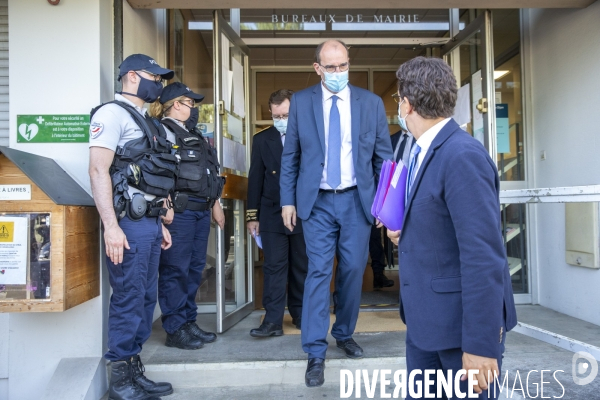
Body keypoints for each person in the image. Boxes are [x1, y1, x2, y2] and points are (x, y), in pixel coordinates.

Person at [387, 56, 517, 399]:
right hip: (426, 325)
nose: (398, 106)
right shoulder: (420, 151)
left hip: (461, 335)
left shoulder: (462, 156)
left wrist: (480, 345)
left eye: (398, 99)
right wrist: (404, 230)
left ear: (408, 103)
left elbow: (483, 256)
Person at [280, 40, 393, 387]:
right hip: (316, 203)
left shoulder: (371, 104)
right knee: (317, 272)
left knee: (354, 270)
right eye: (330, 67)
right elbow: (292, 157)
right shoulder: (301, 102)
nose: (338, 73)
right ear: (317, 68)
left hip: (356, 201)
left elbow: (383, 160)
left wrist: (384, 205)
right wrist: (288, 200)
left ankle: (343, 333)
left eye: (343, 66)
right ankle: (315, 350)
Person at [89, 54, 176, 400]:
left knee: (145, 297)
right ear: (133, 77)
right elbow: (98, 171)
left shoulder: (144, 119)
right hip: (127, 225)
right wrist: (111, 226)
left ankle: (134, 370)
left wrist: (159, 221)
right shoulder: (111, 114)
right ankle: (120, 381)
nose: (159, 83)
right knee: (128, 297)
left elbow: (148, 177)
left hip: (149, 224)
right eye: (154, 77)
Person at [148, 82, 225, 350]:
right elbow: (158, 171)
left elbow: (207, 173)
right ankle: (174, 328)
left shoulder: (193, 134)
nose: (194, 108)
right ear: (176, 105)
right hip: (178, 213)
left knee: (194, 270)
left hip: (200, 211)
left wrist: (215, 203)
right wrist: (164, 204)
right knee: (175, 271)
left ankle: (188, 320)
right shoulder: (163, 132)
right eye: (191, 103)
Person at [246, 89, 308, 337]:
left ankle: (302, 314)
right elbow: (255, 180)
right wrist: (253, 216)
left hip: (304, 213)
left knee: (301, 266)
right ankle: (272, 321)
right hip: (271, 213)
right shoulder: (262, 140)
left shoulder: (310, 137)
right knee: (273, 267)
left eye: (285, 115)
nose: (280, 120)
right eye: (276, 116)